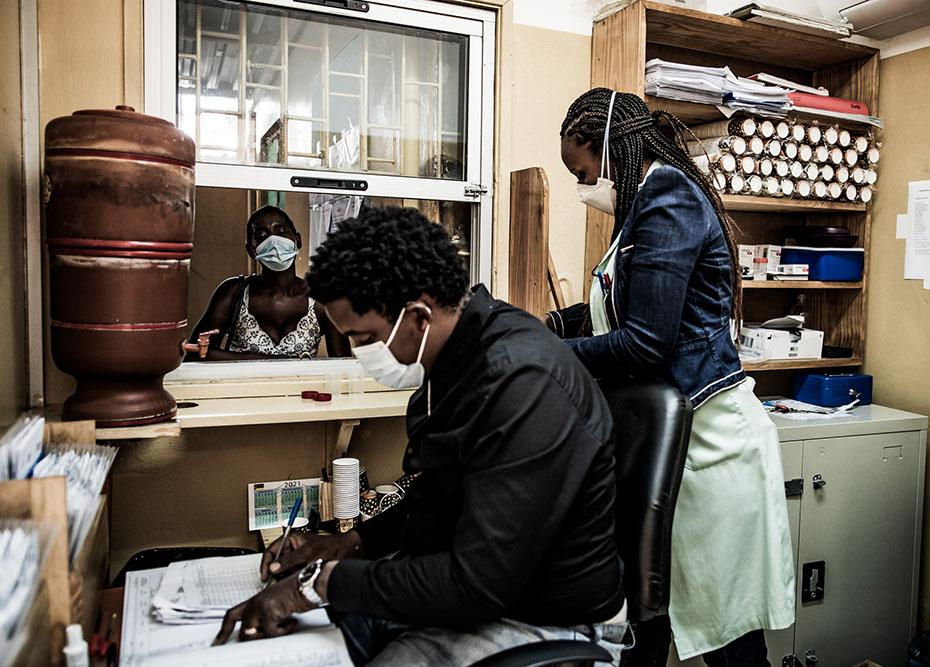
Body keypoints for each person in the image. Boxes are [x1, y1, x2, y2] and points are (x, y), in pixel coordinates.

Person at [213, 207, 629, 666]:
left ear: (416, 317)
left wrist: (318, 584)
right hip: (477, 591)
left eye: (364, 336)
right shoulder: (457, 354)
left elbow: (475, 585)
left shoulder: (522, 384)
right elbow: (445, 491)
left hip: (545, 620)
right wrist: (350, 543)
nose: (357, 351)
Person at [547, 87, 795, 665]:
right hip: (670, 449)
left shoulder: (668, 197)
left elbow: (647, 341)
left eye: (582, 172)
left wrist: (552, 355)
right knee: (649, 624)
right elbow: (631, 305)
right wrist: (552, 326)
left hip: (711, 451)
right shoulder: (641, 204)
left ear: (611, 150)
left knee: (730, 638)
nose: (583, 188)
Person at [186, 205, 349, 360]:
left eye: (281, 231)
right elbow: (194, 352)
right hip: (240, 390)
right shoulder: (234, 292)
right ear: (251, 250)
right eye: (262, 236)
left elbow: (345, 365)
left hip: (302, 390)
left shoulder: (323, 299)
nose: (273, 241)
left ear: (297, 240)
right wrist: (275, 361)